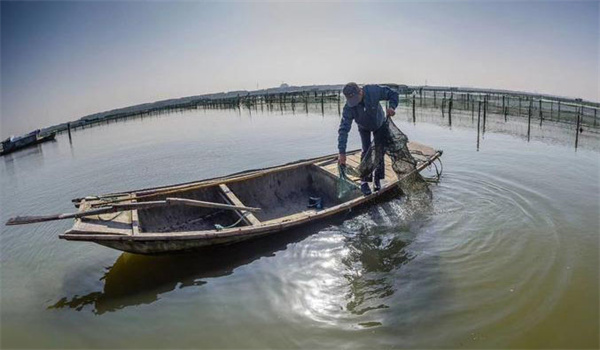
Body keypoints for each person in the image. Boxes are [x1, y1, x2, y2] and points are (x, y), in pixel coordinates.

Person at [338, 82, 399, 196]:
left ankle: (377, 179)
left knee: (379, 151)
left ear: (360, 91)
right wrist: (342, 152)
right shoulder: (349, 108)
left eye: (356, 99)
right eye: (352, 102)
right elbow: (343, 130)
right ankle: (364, 181)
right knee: (366, 151)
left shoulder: (373, 91)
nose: (354, 103)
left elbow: (393, 93)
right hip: (363, 127)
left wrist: (392, 107)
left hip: (379, 123)